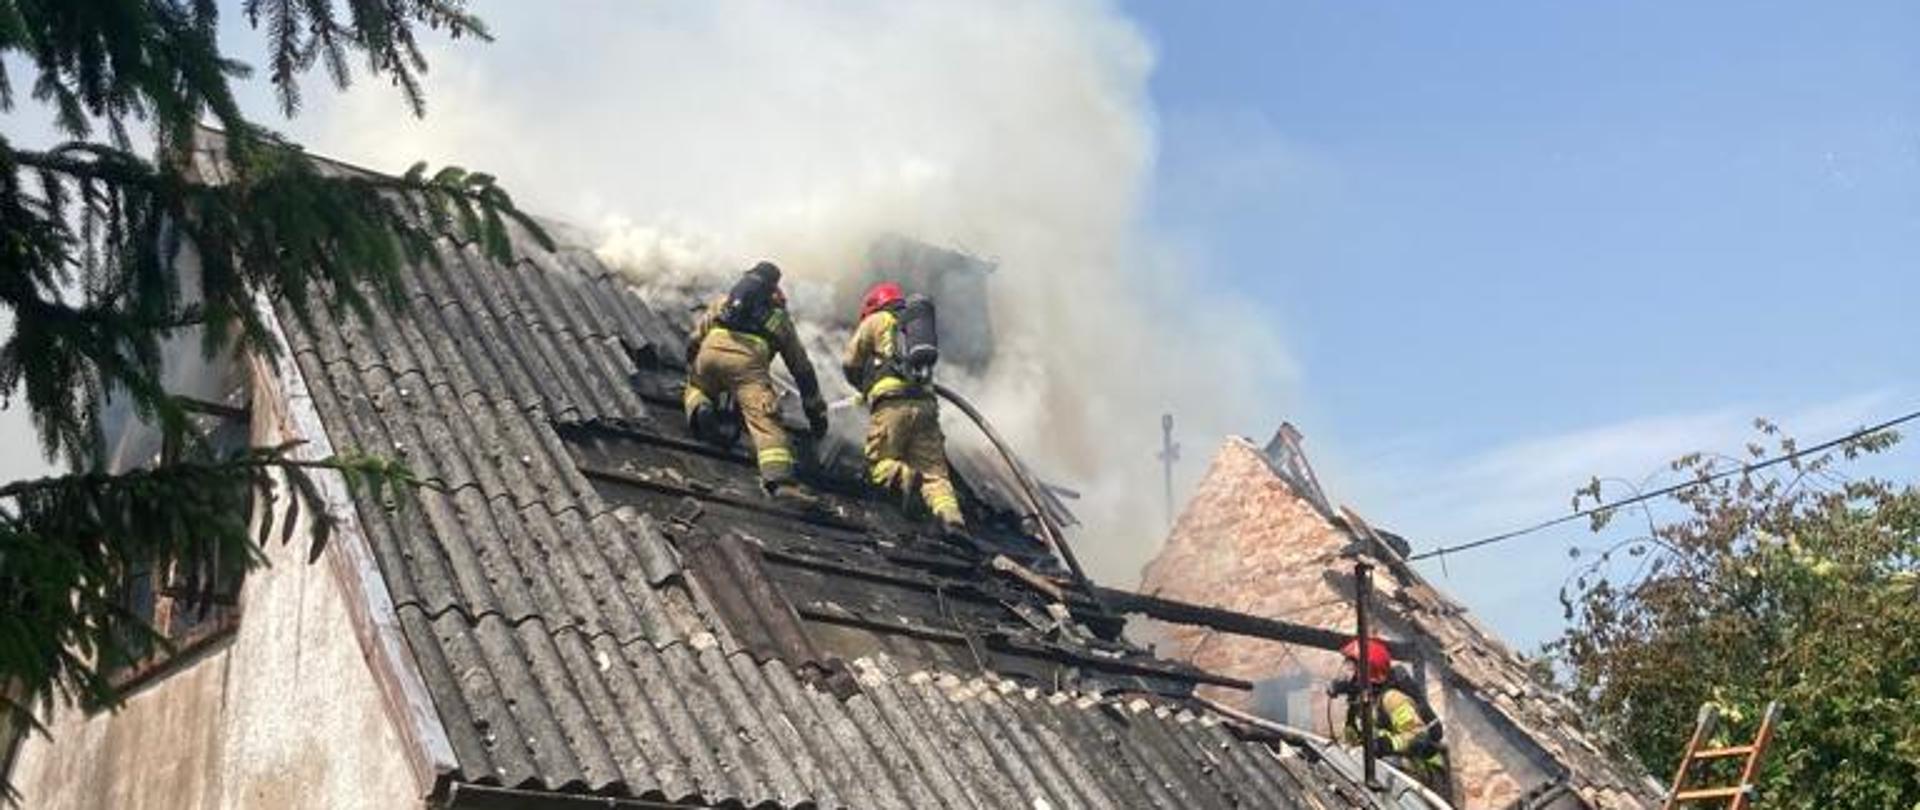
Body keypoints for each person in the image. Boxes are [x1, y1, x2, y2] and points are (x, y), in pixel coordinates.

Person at [684, 261, 829, 503]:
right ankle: (780, 481)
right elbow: (801, 369)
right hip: (747, 366)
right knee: (764, 420)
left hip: (710, 351)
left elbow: (694, 339)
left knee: (696, 387)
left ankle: (701, 407)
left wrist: (692, 364)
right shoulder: (778, 319)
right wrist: (815, 412)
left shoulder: (724, 302)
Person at [841, 281, 965, 534]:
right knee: (935, 472)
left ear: (874, 305)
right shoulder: (916, 329)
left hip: (892, 403)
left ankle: (904, 477)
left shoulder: (875, 321)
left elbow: (850, 362)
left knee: (879, 462)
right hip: (926, 406)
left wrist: (864, 389)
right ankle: (952, 518)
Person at [1332, 636, 1450, 796]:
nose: (1346, 673)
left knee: (1381, 763)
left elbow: (1418, 735)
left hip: (1426, 771)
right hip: (1396, 768)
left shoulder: (1392, 699)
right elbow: (1353, 744)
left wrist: (1387, 744)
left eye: (1351, 668)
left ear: (1367, 671)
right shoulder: (1359, 705)